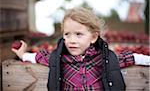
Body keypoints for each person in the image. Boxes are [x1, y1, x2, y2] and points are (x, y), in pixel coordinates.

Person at [12, 7, 150, 91]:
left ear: (93, 37)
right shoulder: (58, 58)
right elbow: (39, 57)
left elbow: (130, 58)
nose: (72, 40)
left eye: (78, 34)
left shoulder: (105, 58)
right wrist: (23, 54)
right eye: (67, 34)